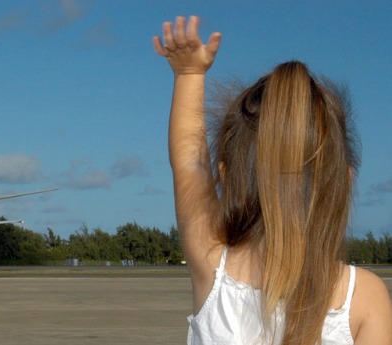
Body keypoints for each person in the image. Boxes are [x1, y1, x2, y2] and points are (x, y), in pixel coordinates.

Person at [152, 16, 392, 344]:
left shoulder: (213, 266)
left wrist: (189, 75)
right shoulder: (364, 297)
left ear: (225, 172)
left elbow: (190, 165)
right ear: (346, 180)